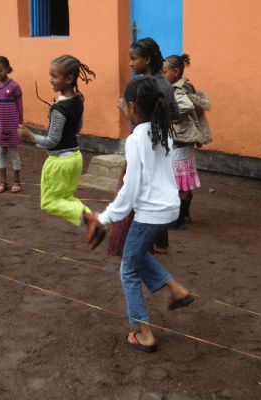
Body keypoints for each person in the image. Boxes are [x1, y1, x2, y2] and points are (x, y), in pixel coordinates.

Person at [91, 77, 194, 352]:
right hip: (168, 208)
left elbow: (130, 189)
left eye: (124, 103)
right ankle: (174, 289)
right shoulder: (164, 132)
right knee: (133, 252)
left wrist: (105, 217)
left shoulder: (136, 138)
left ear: (132, 106)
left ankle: (143, 332)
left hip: (151, 212)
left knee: (128, 269)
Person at [18, 55, 105, 248]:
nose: (50, 79)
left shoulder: (59, 108)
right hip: (76, 158)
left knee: (49, 202)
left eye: (54, 76)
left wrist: (30, 136)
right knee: (66, 199)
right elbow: (78, 128)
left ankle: (90, 218)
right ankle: (91, 220)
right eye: (50, 75)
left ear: (68, 79)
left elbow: (52, 141)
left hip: (60, 162)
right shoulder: (77, 100)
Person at [118, 37, 181, 254]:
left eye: (133, 59)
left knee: (135, 191)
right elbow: (175, 113)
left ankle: (138, 244)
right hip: (159, 144)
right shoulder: (164, 83)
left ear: (147, 59)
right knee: (157, 190)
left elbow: (167, 113)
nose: (130, 64)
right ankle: (161, 243)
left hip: (142, 145)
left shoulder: (144, 86)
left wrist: (136, 117)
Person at [163, 54, 212, 229]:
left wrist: (169, 115)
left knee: (179, 182)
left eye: (164, 72)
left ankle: (180, 218)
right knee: (183, 181)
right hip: (184, 141)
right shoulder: (184, 84)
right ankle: (185, 215)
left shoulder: (177, 89)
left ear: (175, 72)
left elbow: (186, 106)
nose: (162, 76)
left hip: (180, 141)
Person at [0, 56, 23, 194]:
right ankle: (3, 182)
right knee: (1, 153)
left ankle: (17, 181)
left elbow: (19, 106)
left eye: (0, 70)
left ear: (7, 69)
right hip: (0, 125)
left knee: (14, 153)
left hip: (12, 125)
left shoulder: (15, 86)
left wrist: (20, 123)